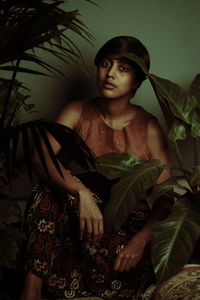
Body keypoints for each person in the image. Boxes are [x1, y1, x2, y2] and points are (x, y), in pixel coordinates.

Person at [20, 36, 172, 300]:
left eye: (123, 68)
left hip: (125, 233)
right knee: (47, 191)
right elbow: (40, 157)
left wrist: (140, 241)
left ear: (136, 82)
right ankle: (30, 291)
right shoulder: (78, 111)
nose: (110, 74)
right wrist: (82, 193)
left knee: (113, 268)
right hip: (83, 224)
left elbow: (166, 197)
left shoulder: (148, 127)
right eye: (105, 64)